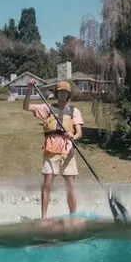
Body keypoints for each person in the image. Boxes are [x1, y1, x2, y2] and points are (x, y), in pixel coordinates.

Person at [23, 79, 84, 220]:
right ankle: (44, 217)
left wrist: (73, 136)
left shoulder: (74, 111)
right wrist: (29, 89)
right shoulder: (47, 108)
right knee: (47, 182)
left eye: (65, 92)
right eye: (60, 92)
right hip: (51, 149)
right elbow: (26, 107)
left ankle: (73, 217)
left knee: (70, 184)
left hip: (67, 150)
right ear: (57, 93)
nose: (62, 94)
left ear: (68, 94)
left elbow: (79, 133)